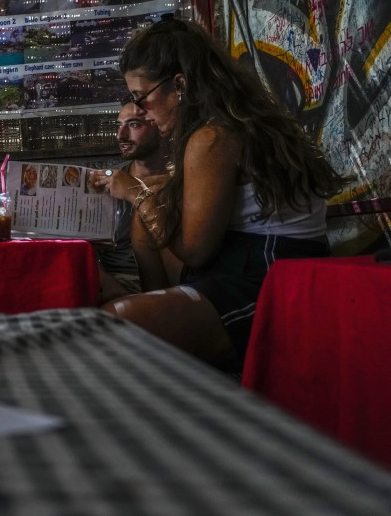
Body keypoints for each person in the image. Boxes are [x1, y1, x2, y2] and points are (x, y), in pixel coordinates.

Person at [91, 18, 342, 369]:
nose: (142, 112)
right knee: (142, 229)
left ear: (179, 85)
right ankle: (163, 315)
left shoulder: (213, 136)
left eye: (141, 99)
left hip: (277, 276)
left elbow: (195, 251)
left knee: (114, 323)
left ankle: (164, 333)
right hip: (254, 258)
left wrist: (137, 192)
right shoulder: (230, 121)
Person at [90, 101, 172, 300]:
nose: (121, 135)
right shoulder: (108, 179)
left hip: (165, 287)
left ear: (160, 125)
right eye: (119, 125)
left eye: (134, 125)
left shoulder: (181, 180)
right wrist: (107, 283)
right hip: (107, 282)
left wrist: (135, 192)